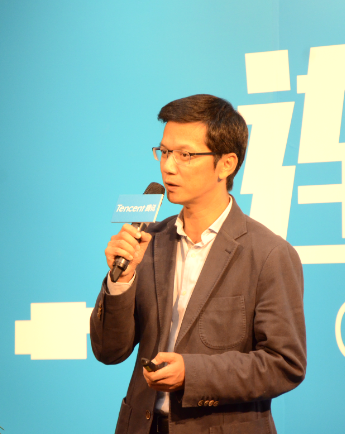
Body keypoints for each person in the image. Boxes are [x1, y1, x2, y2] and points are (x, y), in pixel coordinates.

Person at [90, 94, 306, 434]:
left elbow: (285, 364)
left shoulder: (268, 254)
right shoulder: (148, 241)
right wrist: (121, 281)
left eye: (185, 155)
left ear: (226, 164)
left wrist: (192, 373)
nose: (168, 166)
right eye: (164, 152)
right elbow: (108, 350)